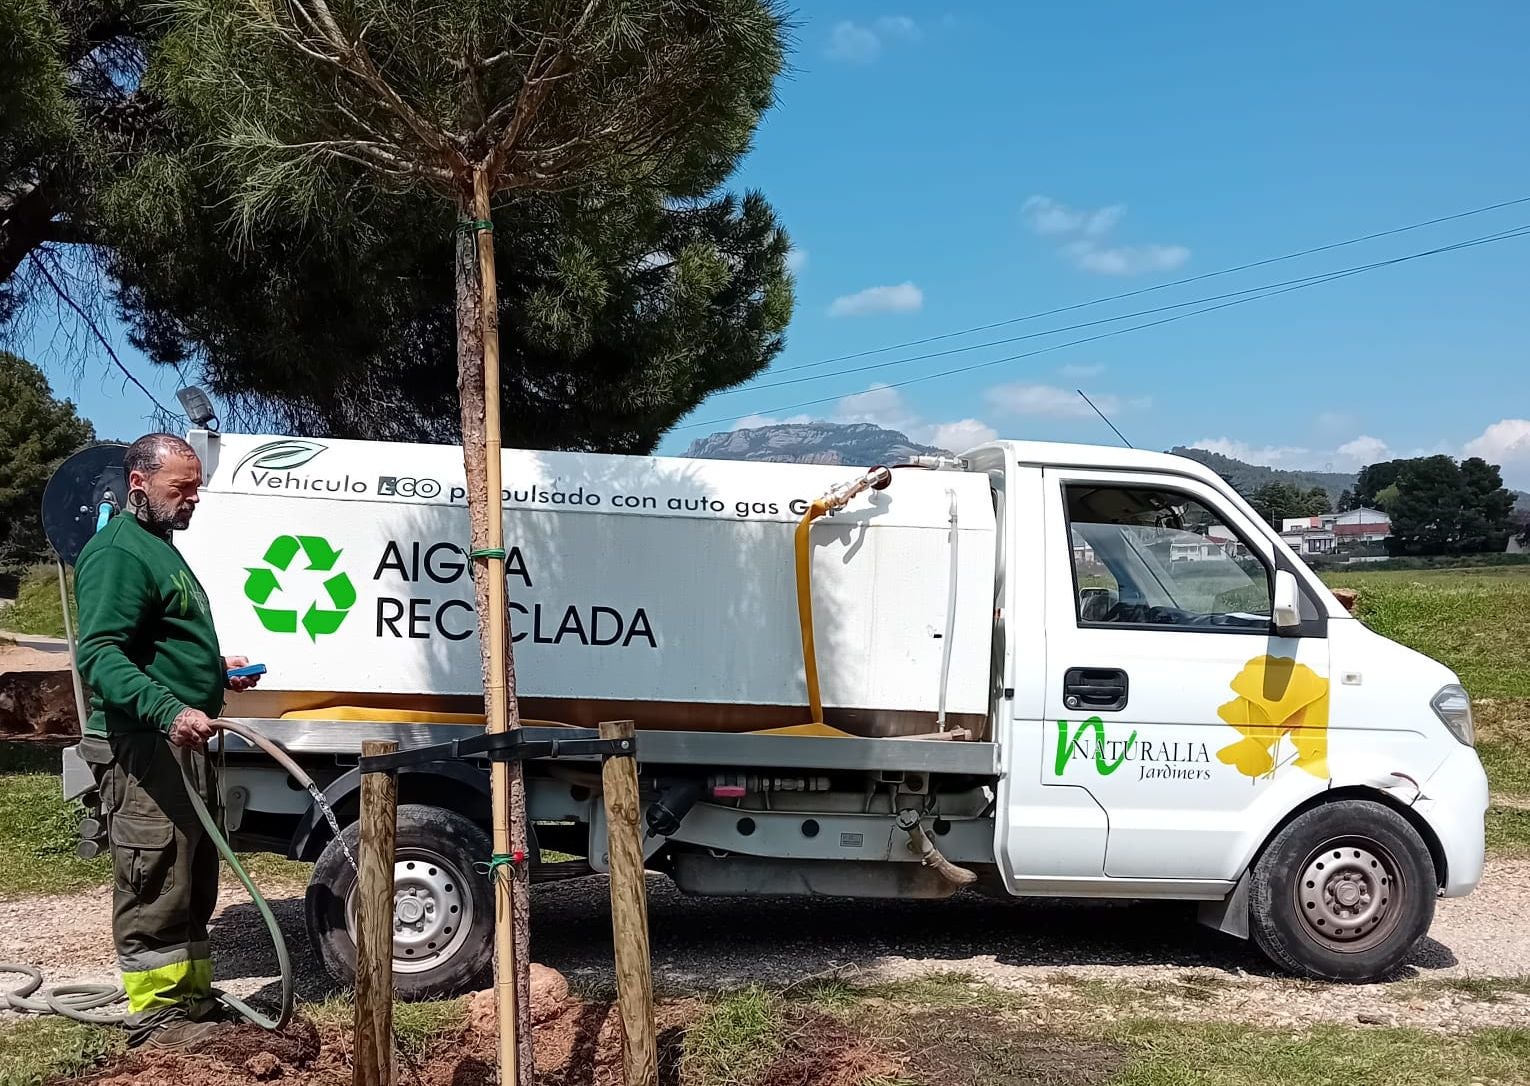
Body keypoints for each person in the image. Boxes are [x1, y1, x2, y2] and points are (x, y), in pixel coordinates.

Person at [74, 433, 262, 1050]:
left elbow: (155, 643)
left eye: (194, 488)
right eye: (180, 488)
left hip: (179, 744)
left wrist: (211, 667)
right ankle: (156, 1020)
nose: (192, 499)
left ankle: (191, 1007)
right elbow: (99, 653)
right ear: (138, 483)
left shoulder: (158, 549)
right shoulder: (119, 553)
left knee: (191, 879)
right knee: (155, 878)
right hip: (146, 747)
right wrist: (167, 706)